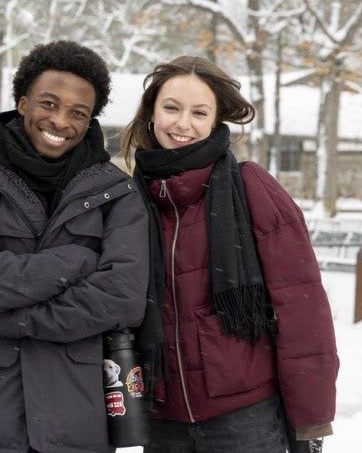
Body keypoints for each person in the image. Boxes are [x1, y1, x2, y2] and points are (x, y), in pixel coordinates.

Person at [120, 55, 339, 452]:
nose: (183, 123)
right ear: (151, 113)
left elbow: (302, 310)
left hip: (244, 422)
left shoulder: (250, 187)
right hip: (162, 421)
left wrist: (311, 422)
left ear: (215, 119)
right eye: (171, 108)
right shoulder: (130, 200)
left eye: (198, 112)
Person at [0, 40, 149, 452]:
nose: (60, 120)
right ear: (22, 103)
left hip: (78, 407)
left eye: (78, 113)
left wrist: (17, 316)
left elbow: (123, 297)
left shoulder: (118, 193)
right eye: (48, 104)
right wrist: (79, 260)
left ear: (90, 122)